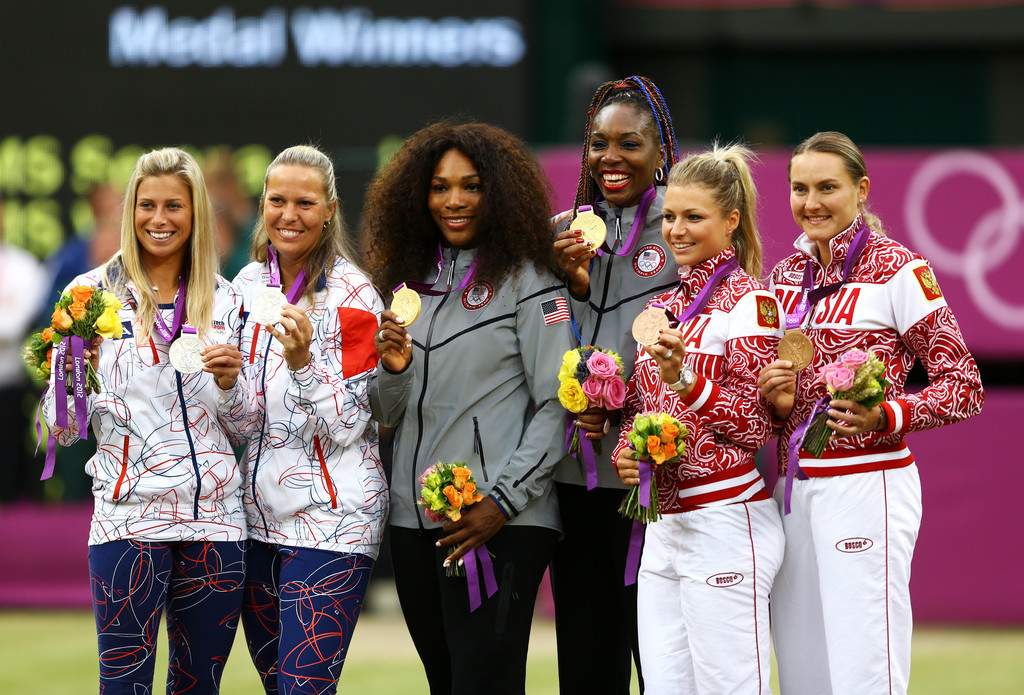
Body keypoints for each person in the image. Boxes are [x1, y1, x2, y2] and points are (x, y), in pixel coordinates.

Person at [759, 131, 984, 695]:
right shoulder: (782, 278)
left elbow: (964, 384)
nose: (811, 202)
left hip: (868, 486)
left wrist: (886, 415)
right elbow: (770, 399)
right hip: (793, 490)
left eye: (827, 187)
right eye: (800, 188)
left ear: (861, 190)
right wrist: (772, 397)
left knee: (866, 670)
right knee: (802, 673)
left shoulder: (899, 270)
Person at [363, 122, 574, 695]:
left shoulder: (531, 282)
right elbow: (386, 413)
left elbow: (560, 404)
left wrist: (501, 501)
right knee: (446, 683)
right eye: (440, 187)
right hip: (414, 524)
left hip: (498, 522)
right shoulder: (409, 285)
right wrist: (394, 370)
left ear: (498, 193)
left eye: (471, 186)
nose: (453, 200)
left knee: (485, 684)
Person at [43, 147, 249, 694]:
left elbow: (247, 426)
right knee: (123, 685)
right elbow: (63, 430)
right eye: (147, 205)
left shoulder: (227, 301)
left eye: (174, 206)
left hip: (214, 524)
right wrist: (72, 375)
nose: (159, 219)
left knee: (198, 685)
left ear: (196, 212)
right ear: (129, 212)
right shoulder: (87, 296)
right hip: (127, 520)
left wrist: (230, 385)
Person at [612, 145, 785, 694]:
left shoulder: (752, 304)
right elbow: (641, 408)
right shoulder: (663, 307)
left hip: (725, 519)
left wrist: (685, 377)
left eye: (694, 217)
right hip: (662, 525)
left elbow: (754, 426)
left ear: (731, 220)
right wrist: (626, 451)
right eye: (669, 216)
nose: (677, 230)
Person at [233, 145, 385, 694]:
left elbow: (350, 423)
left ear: (329, 211)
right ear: (263, 204)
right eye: (278, 200)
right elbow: (242, 421)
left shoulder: (356, 296)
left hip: (333, 520)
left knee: (304, 687)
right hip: (255, 522)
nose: (289, 215)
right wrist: (223, 385)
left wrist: (302, 364)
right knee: (280, 685)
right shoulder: (245, 287)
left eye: (305, 203)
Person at [549, 74, 681, 694]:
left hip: (652, 473)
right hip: (574, 475)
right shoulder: (561, 232)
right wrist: (570, 285)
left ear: (660, 152)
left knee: (662, 659)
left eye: (629, 144)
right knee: (585, 655)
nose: (611, 158)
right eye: (599, 144)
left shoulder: (681, 227)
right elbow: (536, 342)